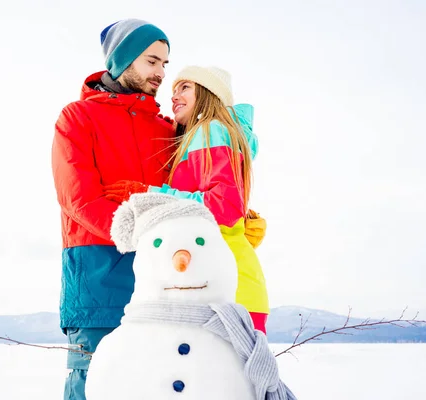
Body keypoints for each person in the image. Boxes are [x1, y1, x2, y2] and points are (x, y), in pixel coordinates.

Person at [51, 19, 174, 400]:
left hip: (160, 279)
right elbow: (77, 198)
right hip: (97, 274)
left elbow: (191, 195)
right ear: (123, 61)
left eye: (165, 64)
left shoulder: (168, 129)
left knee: (157, 384)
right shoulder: (77, 118)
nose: (160, 73)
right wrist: (138, 232)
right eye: (152, 61)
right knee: (92, 383)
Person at [103, 66, 270, 333]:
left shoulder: (211, 130)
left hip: (227, 289)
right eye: (173, 90)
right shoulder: (214, 133)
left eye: (184, 88)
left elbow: (222, 207)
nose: (174, 96)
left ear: (207, 93)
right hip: (225, 283)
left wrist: (148, 194)